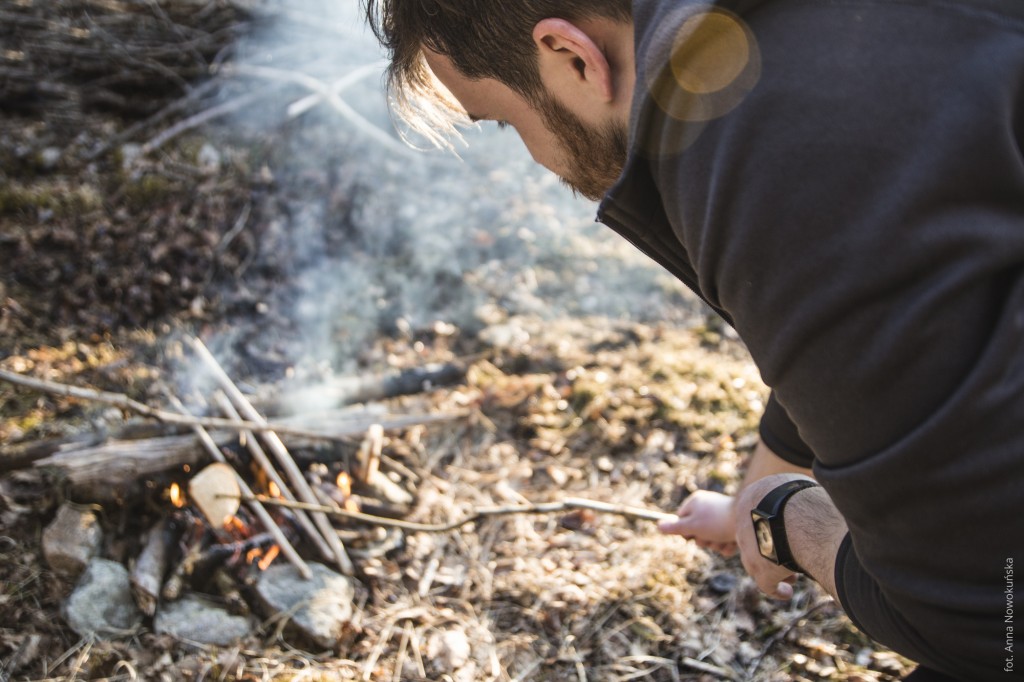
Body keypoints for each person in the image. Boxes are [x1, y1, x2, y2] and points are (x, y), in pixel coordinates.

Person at [362, 1, 1024, 679]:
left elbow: (985, 624)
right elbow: (886, 326)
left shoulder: (771, 150)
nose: (533, 156)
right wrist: (757, 491)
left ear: (570, 56)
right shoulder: (796, 54)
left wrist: (787, 521)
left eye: (505, 120)